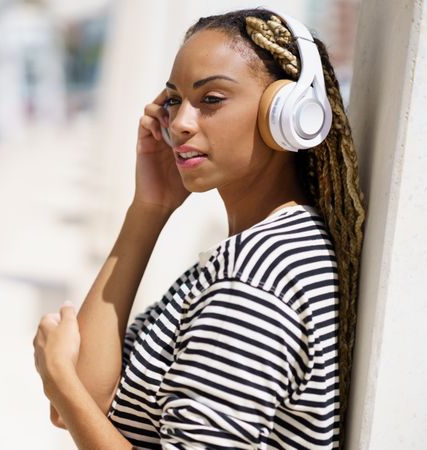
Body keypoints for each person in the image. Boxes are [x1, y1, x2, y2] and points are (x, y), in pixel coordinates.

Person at [33, 7, 365, 449]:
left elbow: (74, 402)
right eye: (173, 100)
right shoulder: (266, 249)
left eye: (211, 100)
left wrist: (60, 381)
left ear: (286, 113)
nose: (180, 123)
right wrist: (148, 208)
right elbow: (85, 406)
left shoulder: (252, 284)